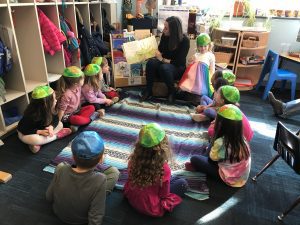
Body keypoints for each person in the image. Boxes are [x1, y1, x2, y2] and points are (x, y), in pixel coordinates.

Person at [46, 131, 120, 225]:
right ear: (101, 159)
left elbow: (48, 197)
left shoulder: (61, 168)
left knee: (61, 166)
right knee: (114, 172)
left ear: (73, 156)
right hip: (82, 220)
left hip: (58, 213)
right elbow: (96, 214)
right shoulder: (100, 179)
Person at [124, 123, 188, 217]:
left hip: (133, 197)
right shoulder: (164, 169)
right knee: (182, 183)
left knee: (171, 179)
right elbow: (163, 195)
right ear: (163, 147)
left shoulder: (133, 160)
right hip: (150, 206)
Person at [187, 104, 251, 187]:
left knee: (194, 159)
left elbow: (212, 158)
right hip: (242, 178)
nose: (213, 121)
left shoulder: (221, 142)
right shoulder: (242, 139)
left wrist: (214, 140)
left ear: (221, 125)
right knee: (211, 146)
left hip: (229, 179)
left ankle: (200, 165)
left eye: (216, 119)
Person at [141, 16, 190, 103]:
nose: (163, 30)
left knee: (164, 67)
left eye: (166, 28)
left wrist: (162, 59)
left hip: (177, 68)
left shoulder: (185, 41)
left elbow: (179, 62)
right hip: (164, 63)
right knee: (151, 63)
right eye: (164, 27)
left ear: (173, 30)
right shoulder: (164, 35)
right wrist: (151, 52)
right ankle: (149, 90)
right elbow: (160, 50)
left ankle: (172, 92)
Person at [17, 85, 72, 153]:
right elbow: (24, 129)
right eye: (54, 99)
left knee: (60, 124)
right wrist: (39, 132)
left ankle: (39, 143)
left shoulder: (50, 108)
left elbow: (56, 119)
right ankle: (56, 136)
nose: (56, 100)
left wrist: (51, 127)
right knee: (34, 139)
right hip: (28, 132)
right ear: (46, 103)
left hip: (43, 130)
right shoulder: (31, 115)